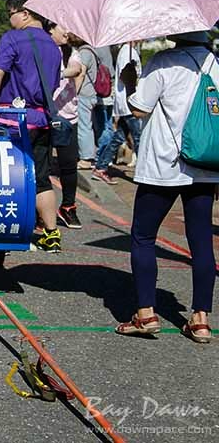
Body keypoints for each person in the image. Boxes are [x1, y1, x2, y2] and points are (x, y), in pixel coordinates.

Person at [115, 31, 217, 343]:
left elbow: (139, 109)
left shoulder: (163, 61)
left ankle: (146, 313)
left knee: (143, 236)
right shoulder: (216, 63)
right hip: (204, 163)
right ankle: (200, 319)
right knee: (200, 240)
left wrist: (131, 80)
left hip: (163, 163)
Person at [0, 0, 63, 252]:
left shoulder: (13, 39)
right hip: (42, 119)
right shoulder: (54, 46)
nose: (10, 20)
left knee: (6, 177)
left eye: (11, 14)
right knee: (41, 177)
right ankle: (51, 233)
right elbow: (53, 85)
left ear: (25, 12)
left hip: (11, 120)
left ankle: (6, 230)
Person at [45, 21, 84, 229]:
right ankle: (40, 211)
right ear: (50, 29)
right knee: (41, 165)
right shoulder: (42, 50)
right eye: (63, 28)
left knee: (68, 164)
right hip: (43, 116)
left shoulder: (71, 52)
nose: (67, 32)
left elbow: (76, 70)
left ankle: (68, 207)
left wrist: (58, 75)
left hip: (67, 118)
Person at [92, 41, 142, 185]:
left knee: (118, 137)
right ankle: (143, 171)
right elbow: (125, 76)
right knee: (138, 138)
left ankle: (100, 167)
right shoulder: (127, 52)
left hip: (127, 102)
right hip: (129, 102)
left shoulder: (130, 51)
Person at [73, 37, 101, 168]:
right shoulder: (93, 51)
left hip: (84, 93)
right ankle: (88, 155)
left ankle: (86, 158)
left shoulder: (84, 52)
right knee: (88, 125)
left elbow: (81, 73)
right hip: (91, 93)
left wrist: (75, 91)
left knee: (84, 126)